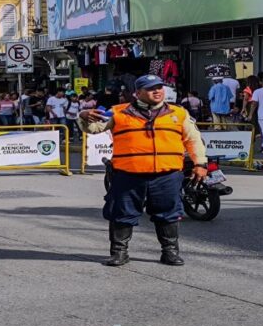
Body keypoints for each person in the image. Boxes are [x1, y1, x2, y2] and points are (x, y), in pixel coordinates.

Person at [78, 74, 207, 267]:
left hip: (167, 174)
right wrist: (83, 116)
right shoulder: (118, 112)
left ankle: (170, 252)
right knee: (121, 213)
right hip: (128, 174)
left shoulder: (178, 113)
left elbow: (193, 139)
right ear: (137, 93)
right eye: (150, 88)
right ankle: (119, 253)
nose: (157, 91)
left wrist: (200, 163)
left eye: (159, 87)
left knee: (168, 213)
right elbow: (94, 128)